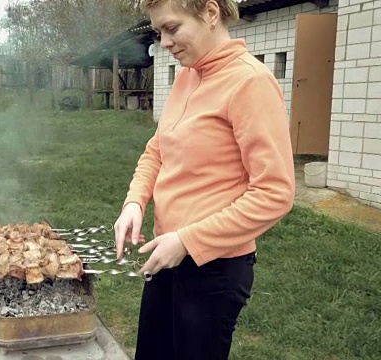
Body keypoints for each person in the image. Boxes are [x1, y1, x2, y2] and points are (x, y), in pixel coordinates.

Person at [113, 0, 296, 359]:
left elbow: (275, 192)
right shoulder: (188, 76)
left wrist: (186, 240)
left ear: (210, 13)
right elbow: (157, 150)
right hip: (167, 255)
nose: (163, 42)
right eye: (158, 32)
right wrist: (135, 201)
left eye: (172, 28)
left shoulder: (250, 83)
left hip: (214, 271)